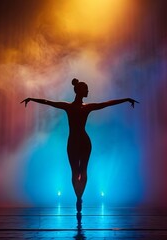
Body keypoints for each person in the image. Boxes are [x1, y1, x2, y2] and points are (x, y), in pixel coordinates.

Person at [21, 78, 138, 213]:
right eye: (86, 89)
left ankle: (79, 197)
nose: (88, 91)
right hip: (77, 141)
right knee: (78, 171)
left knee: (80, 171)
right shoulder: (72, 106)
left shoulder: (78, 107)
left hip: (80, 141)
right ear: (79, 91)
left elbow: (107, 104)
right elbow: (49, 102)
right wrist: (31, 99)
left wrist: (126, 99)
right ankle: (78, 197)